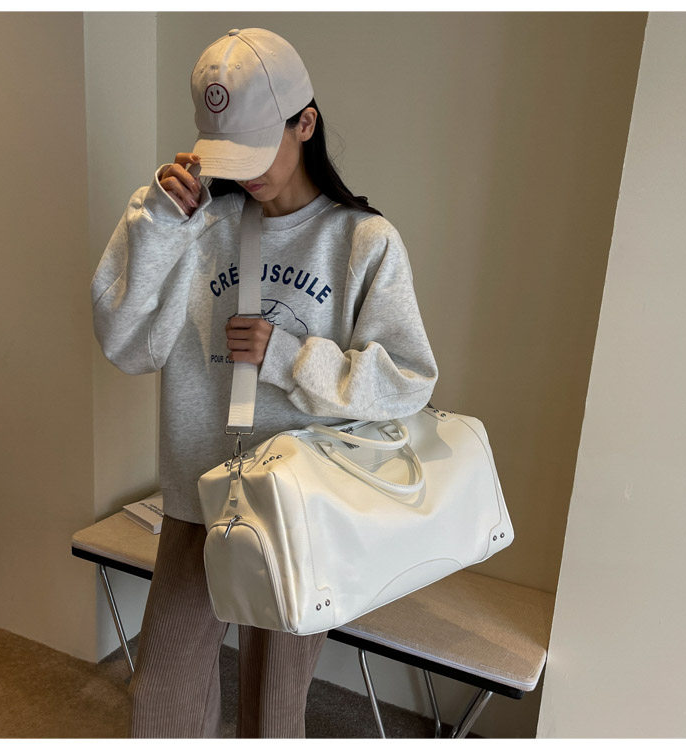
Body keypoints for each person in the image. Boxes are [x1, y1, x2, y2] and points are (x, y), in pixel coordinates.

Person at [91, 27, 438, 738]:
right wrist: (156, 224)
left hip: (302, 510)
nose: (244, 174)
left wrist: (289, 356)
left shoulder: (363, 242)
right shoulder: (194, 226)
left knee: (274, 706)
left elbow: (408, 381)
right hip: (199, 493)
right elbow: (128, 345)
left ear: (305, 123)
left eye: (256, 149)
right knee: (163, 693)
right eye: (228, 154)